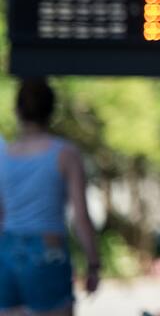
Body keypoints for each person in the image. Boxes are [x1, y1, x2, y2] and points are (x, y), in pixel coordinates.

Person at [0, 79, 100, 314]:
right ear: (51, 111)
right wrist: (94, 265)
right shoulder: (65, 154)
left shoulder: (3, 155)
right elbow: (81, 216)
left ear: (17, 111)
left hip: (7, 251)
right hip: (48, 251)